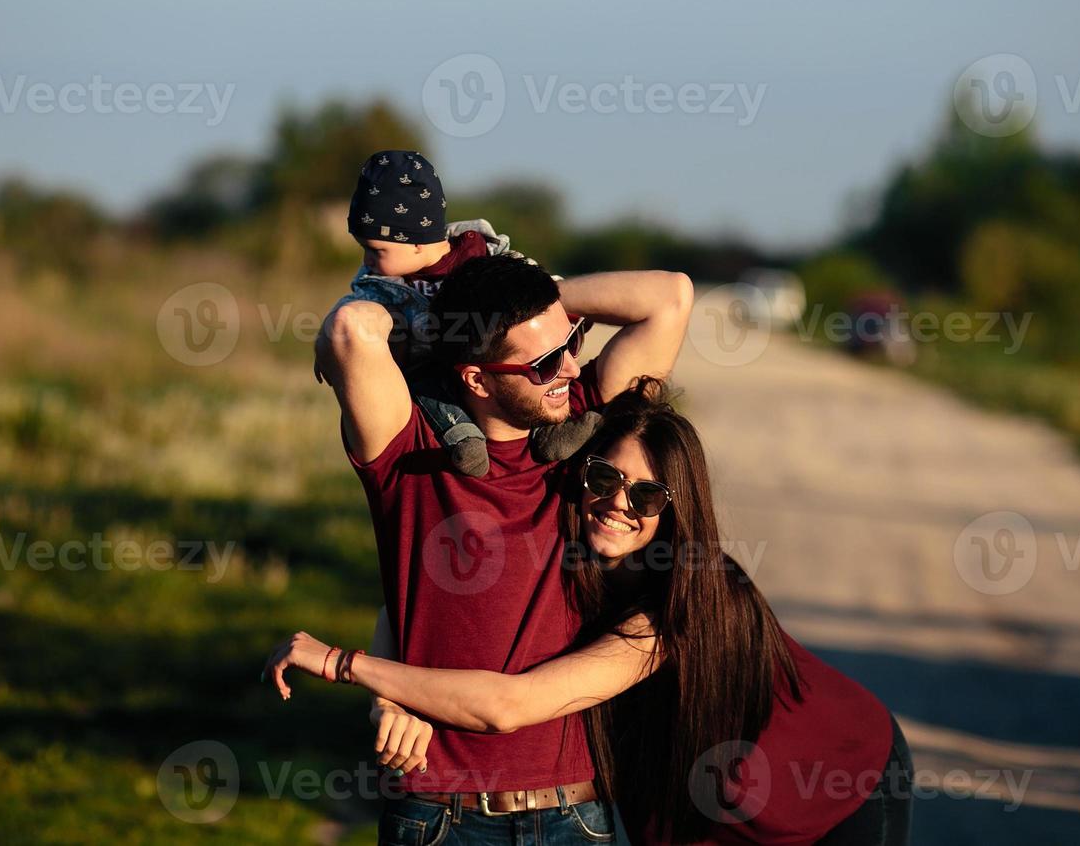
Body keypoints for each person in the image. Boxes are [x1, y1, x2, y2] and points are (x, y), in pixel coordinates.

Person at [266, 378, 912, 846]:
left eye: (649, 495)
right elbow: (414, 603)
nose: (618, 503)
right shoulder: (563, 549)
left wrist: (344, 664)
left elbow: (508, 706)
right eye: (606, 479)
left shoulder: (675, 606)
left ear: (677, 509)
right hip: (709, 791)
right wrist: (394, 701)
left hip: (839, 777)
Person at [307, 249, 694, 843]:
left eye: (572, 344)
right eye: (543, 362)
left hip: (579, 815)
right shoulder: (408, 450)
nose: (568, 367)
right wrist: (438, 315)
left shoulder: (587, 440)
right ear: (477, 377)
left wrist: (539, 297)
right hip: (441, 816)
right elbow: (352, 329)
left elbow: (669, 296)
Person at [332, 148, 602, 476]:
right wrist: (330, 344)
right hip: (430, 369)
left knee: (529, 375)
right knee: (425, 386)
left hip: (489, 363)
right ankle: (462, 439)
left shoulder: (480, 254)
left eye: (376, 251)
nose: (367, 262)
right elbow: (353, 310)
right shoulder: (382, 282)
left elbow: (528, 281)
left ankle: (551, 431)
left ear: (416, 241)